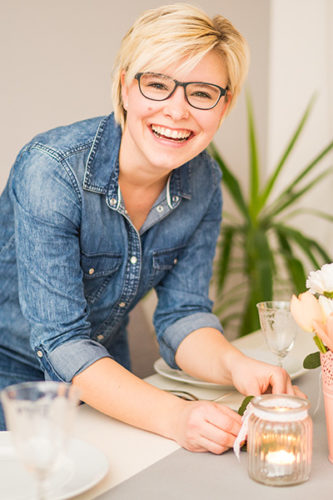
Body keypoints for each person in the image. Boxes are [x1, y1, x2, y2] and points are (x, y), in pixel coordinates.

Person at [0, 3, 301, 452]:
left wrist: (237, 366)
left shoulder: (203, 182)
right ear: (125, 87)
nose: (177, 111)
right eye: (157, 84)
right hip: (12, 379)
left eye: (201, 93)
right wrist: (177, 416)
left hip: (106, 376)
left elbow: (183, 315)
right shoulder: (51, 170)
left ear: (226, 103)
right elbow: (61, 341)